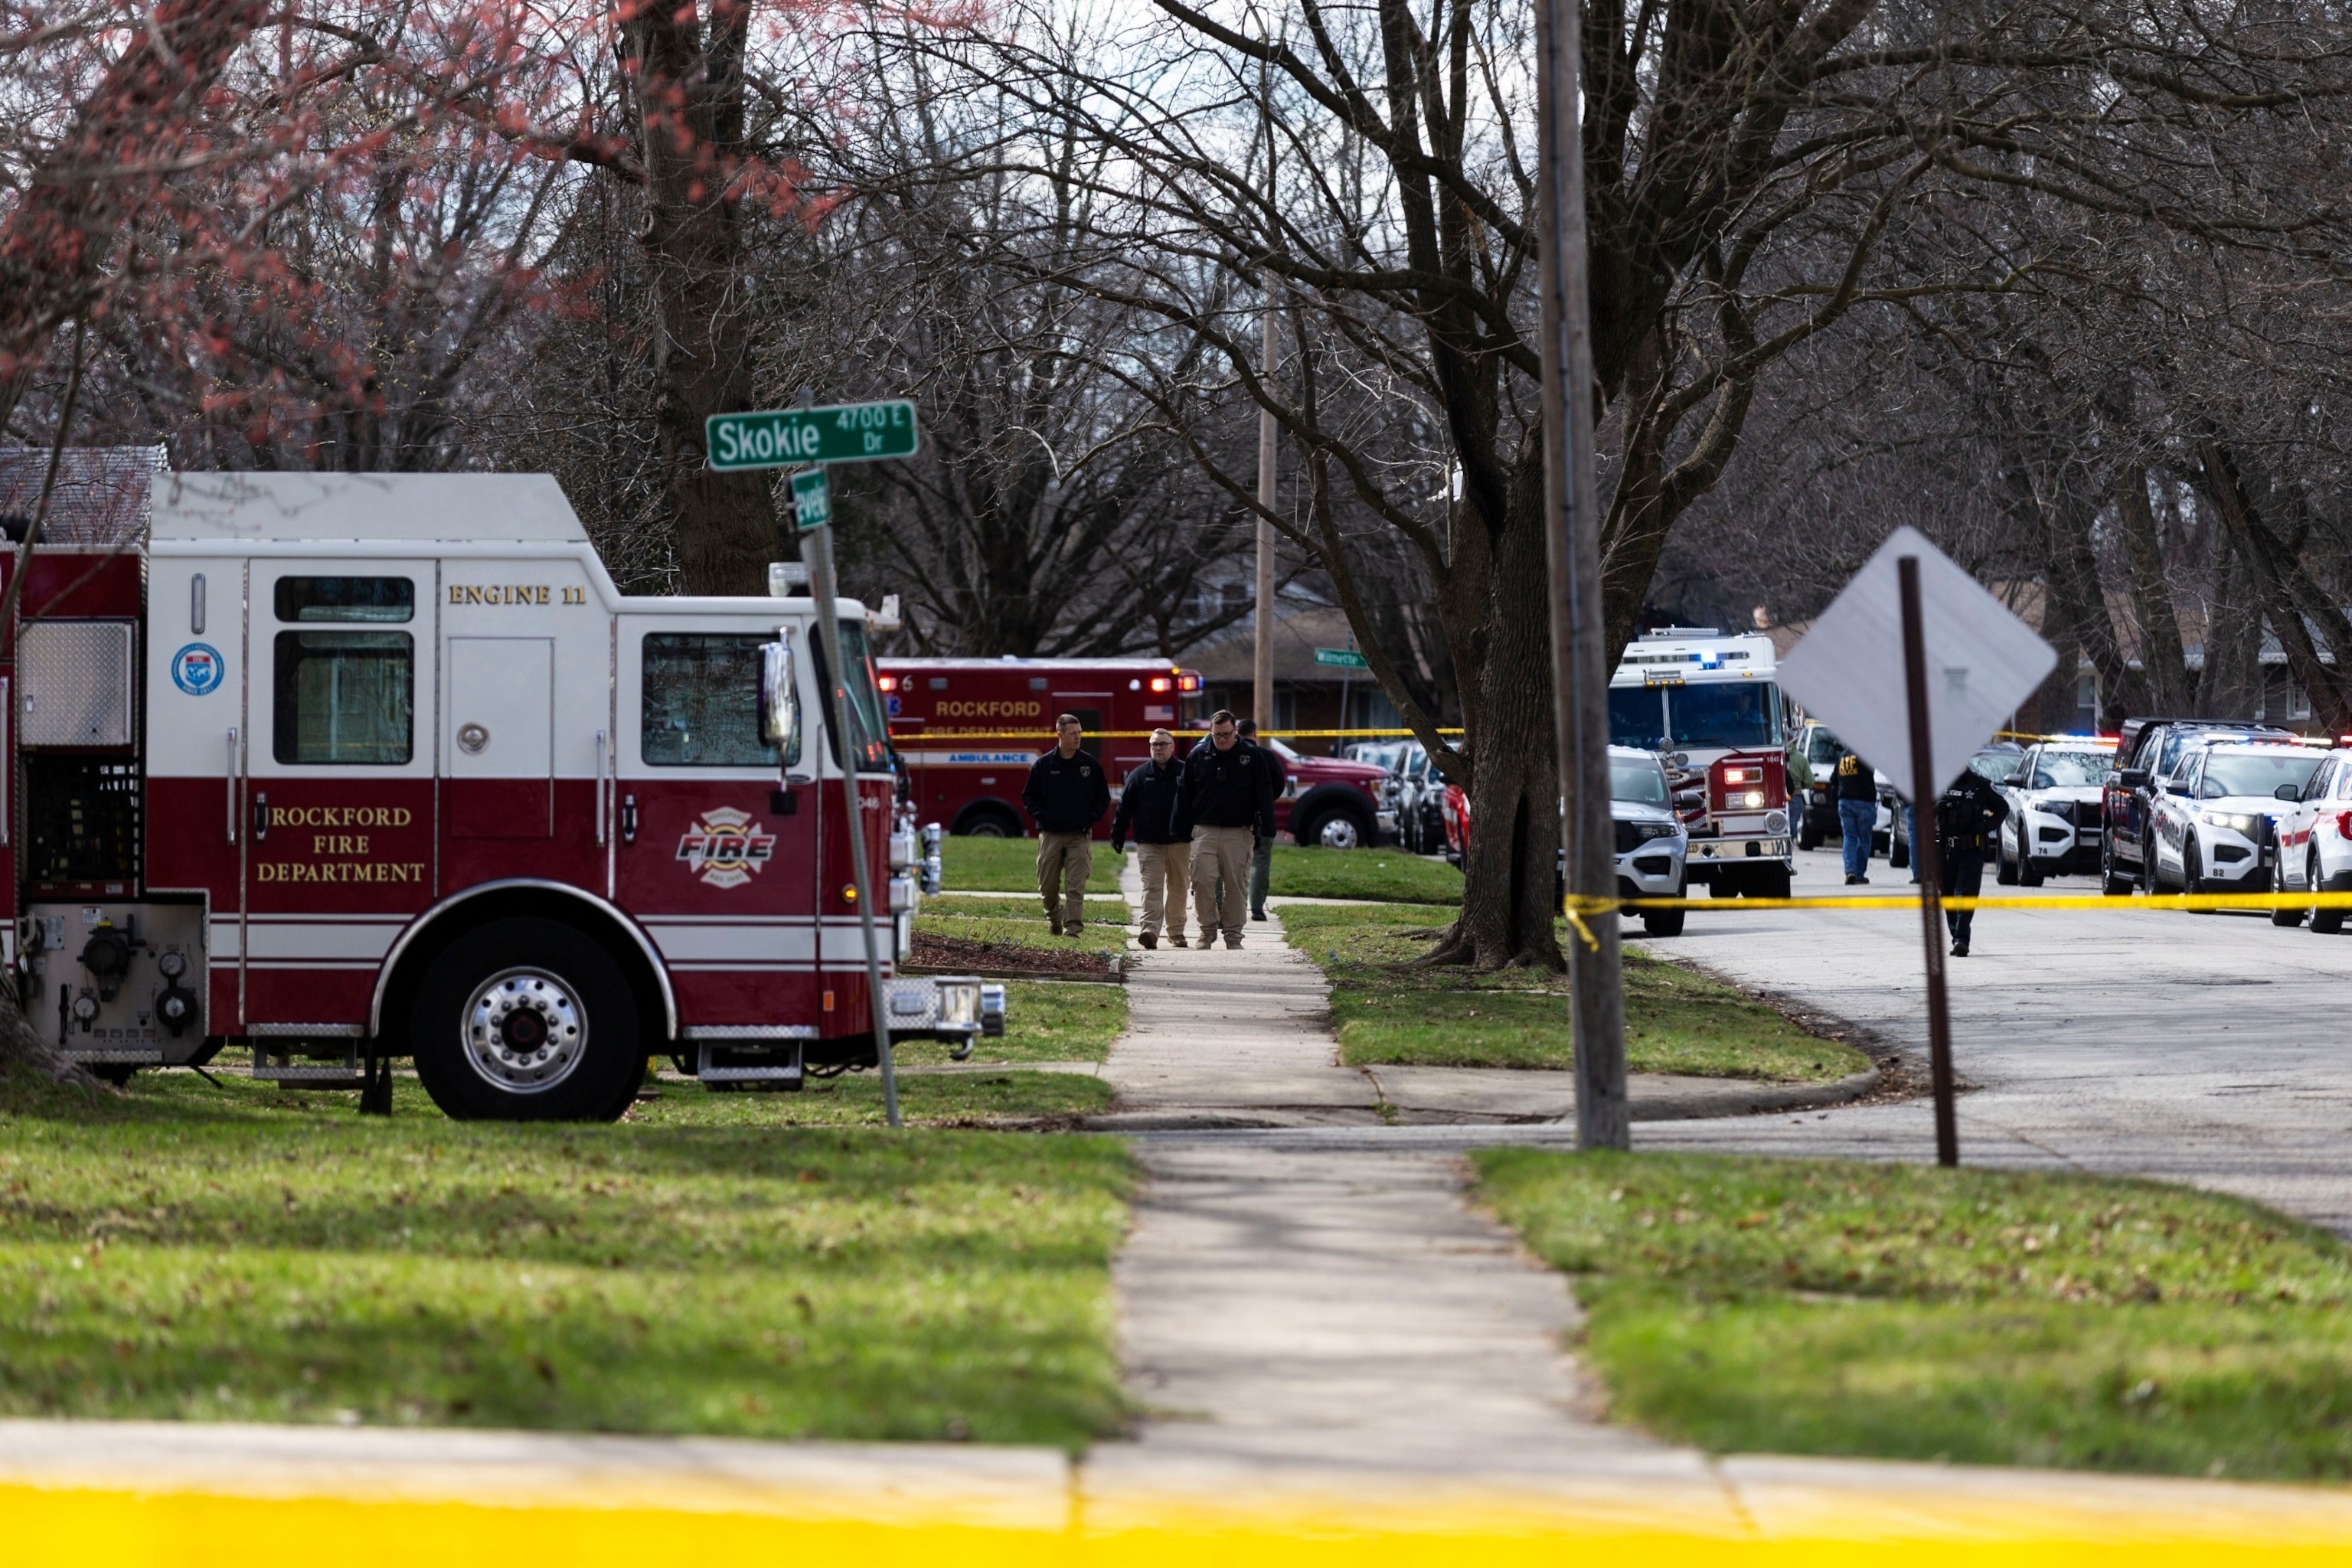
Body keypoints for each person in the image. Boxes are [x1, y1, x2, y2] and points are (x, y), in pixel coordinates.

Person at [1184, 710, 1278, 949]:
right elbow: (1184, 793)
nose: (1222, 739)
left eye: (1227, 734)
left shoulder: (1251, 756)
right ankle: (1207, 931)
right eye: (1217, 735)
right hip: (1205, 829)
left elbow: (1265, 791)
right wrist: (1180, 827)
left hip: (1239, 830)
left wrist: (1267, 824)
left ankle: (1233, 936)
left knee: (1236, 886)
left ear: (1236, 731)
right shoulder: (1198, 755)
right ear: (1210, 733)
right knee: (1202, 881)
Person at [1021, 713, 1111, 936]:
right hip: (1051, 835)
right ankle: (1055, 918)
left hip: (1079, 835)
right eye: (1073, 734)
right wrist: (1044, 816)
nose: (1078, 737)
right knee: (1048, 885)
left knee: (1075, 885)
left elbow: (1103, 798)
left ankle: (1073, 929)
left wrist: (1090, 818)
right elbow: (1029, 798)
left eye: (1080, 733)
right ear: (1060, 735)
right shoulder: (1043, 765)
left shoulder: (1090, 765)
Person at [1112, 728, 1191, 949]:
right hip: (1149, 843)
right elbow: (1124, 807)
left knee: (1179, 887)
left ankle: (1176, 932)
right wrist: (1117, 833)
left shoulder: (1186, 773)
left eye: (1163, 744)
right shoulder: (1138, 775)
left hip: (1180, 842)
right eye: (1154, 744)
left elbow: (1199, 803)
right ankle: (1149, 931)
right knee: (1152, 887)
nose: (1158, 748)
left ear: (1173, 746)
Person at [1934, 766, 2010, 957]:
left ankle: (1961, 939)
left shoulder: (1979, 785)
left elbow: (2002, 808)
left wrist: (1986, 827)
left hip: (1971, 850)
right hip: (1945, 849)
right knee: (1947, 895)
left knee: (1966, 894)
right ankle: (1957, 935)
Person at [1236, 719, 1288, 921]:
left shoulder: (1229, 756)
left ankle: (1220, 909)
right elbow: (1279, 785)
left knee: (1225, 863)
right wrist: (1264, 801)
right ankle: (1257, 908)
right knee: (1260, 859)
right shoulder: (1266, 756)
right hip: (1260, 817)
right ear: (1255, 733)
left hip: (1232, 818)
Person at [1833, 746, 1877, 885]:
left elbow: (1834, 779)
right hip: (1864, 801)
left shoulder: (1842, 757)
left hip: (1845, 801)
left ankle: (1850, 870)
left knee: (1849, 837)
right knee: (1864, 838)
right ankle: (1859, 874)